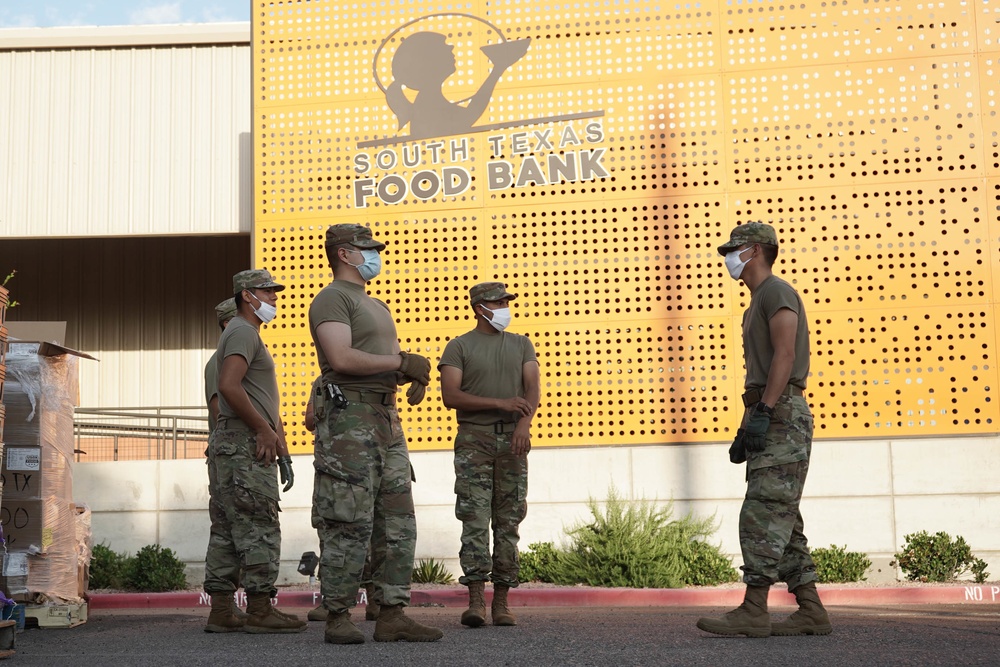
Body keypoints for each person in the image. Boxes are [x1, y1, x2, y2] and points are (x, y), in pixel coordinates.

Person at [308, 223, 443, 644]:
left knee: (397, 522)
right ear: (344, 254)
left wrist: (405, 375)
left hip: (386, 418)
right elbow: (341, 357)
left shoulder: (376, 304)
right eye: (367, 249)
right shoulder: (332, 299)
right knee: (348, 520)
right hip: (351, 421)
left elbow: (379, 361)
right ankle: (338, 616)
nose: (375, 255)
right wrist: (401, 362)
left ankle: (392, 613)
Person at [697, 223, 832, 638]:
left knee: (762, 511)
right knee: (782, 516)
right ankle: (811, 610)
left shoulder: (775, 292)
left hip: (782, 411)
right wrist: (749, 419)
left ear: (754, 250)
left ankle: (755, 609)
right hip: (768, 408)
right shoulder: (755, 302)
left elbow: (786, 353)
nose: (727, 258)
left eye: (733, 250)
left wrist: (767, 410)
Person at [203, 270, 304, 634]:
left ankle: (221, 611)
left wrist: (282, 447)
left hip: (236, 443)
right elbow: (228, 387)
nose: (275, 298)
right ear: (247, 296)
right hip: (245, 444)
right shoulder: (243, 332)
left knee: (228, 529)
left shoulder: (243, 334)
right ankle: (260, 609)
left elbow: (260, 400)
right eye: (268, 292)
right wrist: (262, 429)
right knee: (259, 523)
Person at [438, 282, 539, 628]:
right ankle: (476, 600)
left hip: (513, 440)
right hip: (473, 441)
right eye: (497, 302)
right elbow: (451, 396)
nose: (504, 307)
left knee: (509, 521)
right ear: (479, 307)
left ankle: (503, 602)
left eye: (505, 302)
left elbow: (532, 388)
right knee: (475, 520)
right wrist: (500, 403)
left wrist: (523, 425)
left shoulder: (521, 344)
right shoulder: (458, 347)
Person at [304, 376, 379, 624]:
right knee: (348, 532)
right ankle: (365, 601)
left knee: (341, 533)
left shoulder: (324, 383)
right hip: (350, 466)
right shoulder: (328, 382)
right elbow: (309, 420)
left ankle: (340, 601)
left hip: (340, 466)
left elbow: (309, 420)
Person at [202, 297, 248, 626]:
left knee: (231, 531)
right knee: (230, 530)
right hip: (233, 453)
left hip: (242, 451)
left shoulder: (243, 355)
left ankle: (224, 608)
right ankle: (222, 607)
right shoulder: (219, 361)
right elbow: (221, 411)